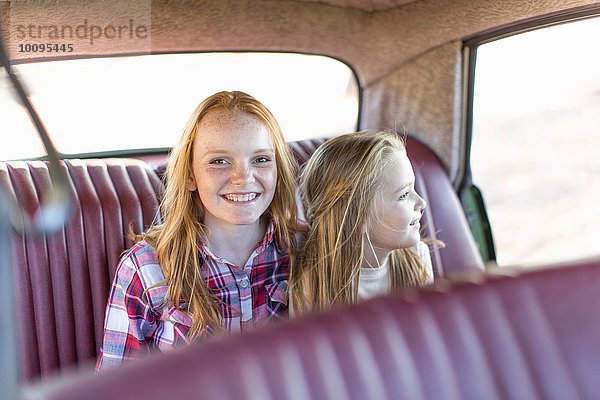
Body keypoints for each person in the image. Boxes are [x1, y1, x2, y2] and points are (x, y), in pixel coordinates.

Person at [96, 91, 302, 370]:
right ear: (191, 175)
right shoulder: (146, 268)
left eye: (261, 159)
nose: (243, 177)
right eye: (219, 161)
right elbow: (115, 387)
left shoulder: (302, 248)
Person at [290, 131, 434, 315]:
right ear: (358, 215)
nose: (422, 202)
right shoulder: (312, 289)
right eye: (404, 195)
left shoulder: (417, 260)